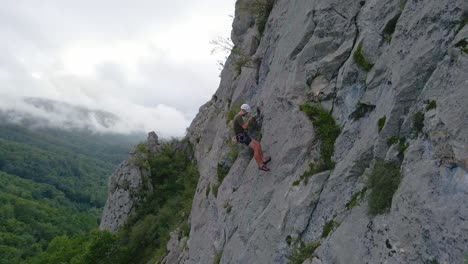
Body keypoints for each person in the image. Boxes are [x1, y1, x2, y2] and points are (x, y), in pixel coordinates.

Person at [233, 104, 271, 171]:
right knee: (256, 147)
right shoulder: (238, 117)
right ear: (244, 110)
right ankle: (260, 165)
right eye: (246, 112)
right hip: (242, 136)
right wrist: (249, 120)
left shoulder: (238, 116)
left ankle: (263, 159)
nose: (246, 114)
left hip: (242, 135)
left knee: (258, 144)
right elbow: (244, 127)